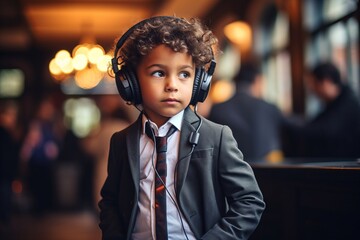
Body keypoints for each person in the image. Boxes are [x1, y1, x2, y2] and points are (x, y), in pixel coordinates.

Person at [98, 16, 265, 240]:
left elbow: (250, 202)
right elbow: (110, 201)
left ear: (199, 84)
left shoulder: (216, 136)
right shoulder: (121, 141)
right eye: (159, 72)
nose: (172, 85)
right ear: (131, 82)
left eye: (184, 74)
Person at [208, 62, 284, 162]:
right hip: (267, 172)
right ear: (257, 80)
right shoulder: (269, 108)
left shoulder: (217, 109)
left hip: (227, 171)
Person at [290, 62, 360, 159]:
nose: (312, 90)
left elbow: (325, 131)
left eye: (314, 84)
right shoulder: (336, 103)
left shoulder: (349, 103)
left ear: (326, 82)